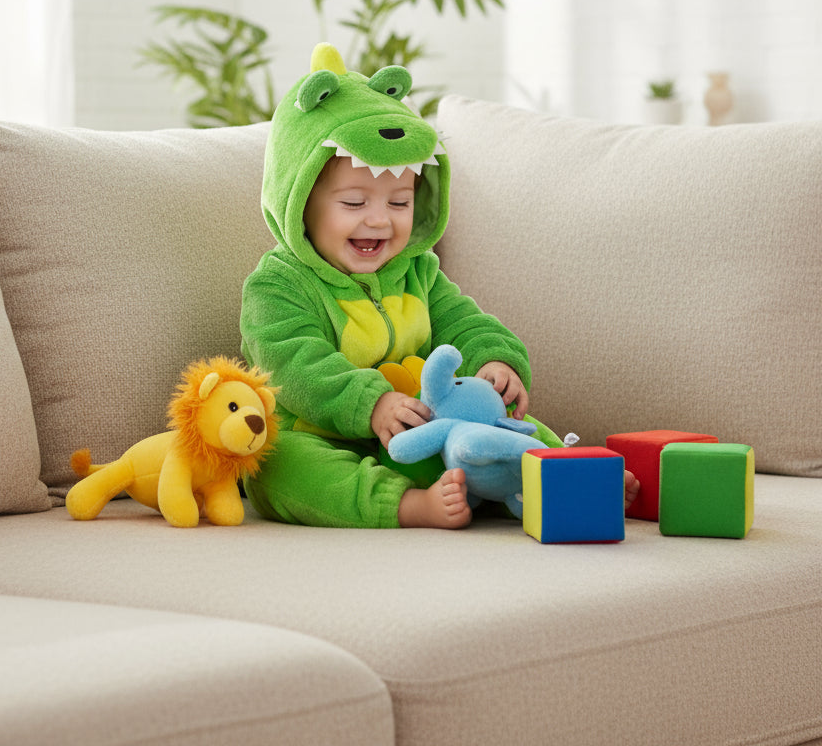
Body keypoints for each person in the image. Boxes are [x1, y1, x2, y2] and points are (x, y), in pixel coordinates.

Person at [240, 44, 638, 529]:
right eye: (353, 203)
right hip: (329, 435)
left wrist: (493, 359)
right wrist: (371, 404)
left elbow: (464, 321)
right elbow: (294, 362)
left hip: (432, 428)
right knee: (280, 466)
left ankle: (576, 478)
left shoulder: (419, 272)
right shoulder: (278, 285)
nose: (379, 221)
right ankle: (408, 504)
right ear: (299, 203)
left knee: (513, 425)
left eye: (400, 203)